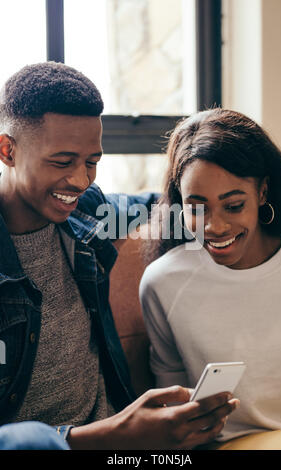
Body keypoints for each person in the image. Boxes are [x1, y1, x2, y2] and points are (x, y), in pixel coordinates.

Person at [0, 63, 238, 450]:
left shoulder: (87, 212)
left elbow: (166, 210)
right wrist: (114, 435)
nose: (80, 181)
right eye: (62, 162)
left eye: (92, 162)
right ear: (8, 150)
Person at [139, 108, 281, 448]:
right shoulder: (163, 284)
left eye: (233, 205)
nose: (215, 227)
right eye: (197, 208)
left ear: (262, 192)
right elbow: (174, 412)